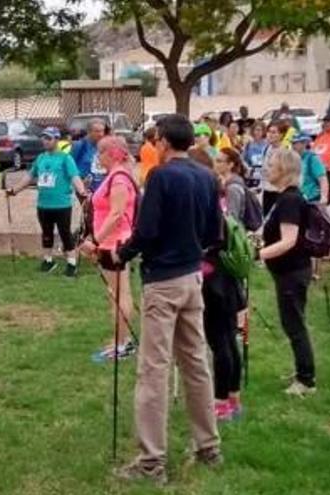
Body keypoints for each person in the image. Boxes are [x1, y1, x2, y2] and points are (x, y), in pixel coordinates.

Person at [110, 114, 222, 484]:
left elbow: (147, 231)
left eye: (155, 138)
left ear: (162, 141)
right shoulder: (206, 176)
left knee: (153, 370)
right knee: (195, 362)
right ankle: (208, 446)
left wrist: (120, 254)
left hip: (163, 282)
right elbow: (214, 232)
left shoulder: (161, 177)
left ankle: (151, 462)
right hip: (192, 278)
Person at [258, 148, 317, 396]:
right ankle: (302, 370)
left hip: (292, 271)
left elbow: (289, 240)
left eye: (272, 165)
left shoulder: (291, 200)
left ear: (283, 170)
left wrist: (258, 254)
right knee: (292, 322)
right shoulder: (284, 198)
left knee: (294, 325)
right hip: (288, 271)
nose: (267, 169)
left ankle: (306, 379)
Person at [79, 136, 138, 361]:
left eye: (100, 153)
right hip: (109, 242)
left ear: (110, 154)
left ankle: (121, 344)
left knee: (119, 293)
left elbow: (116, 213)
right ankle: (120, 339)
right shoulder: (116, 175)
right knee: (115, 293)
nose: (97, 157)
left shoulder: (119, 178)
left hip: (115, 243)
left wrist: (94, 241)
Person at [7, 127, 88, 277]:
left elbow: (74, 176)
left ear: (56, 140)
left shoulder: (65, 158)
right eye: (43, 138)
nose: (45, 141)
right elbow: (30, 177)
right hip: (44, 204)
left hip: (62, 204)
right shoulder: (41, 158)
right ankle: (48, 260)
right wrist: (15, 190)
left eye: (49, 138)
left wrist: (82, 190)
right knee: (46, 233)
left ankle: (72, 263)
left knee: (65, 233)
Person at [208, 148, 248, 420]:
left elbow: (211, 245)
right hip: (230, 281)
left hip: (216, 283)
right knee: (230, 341)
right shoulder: (222, 207)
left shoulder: (216, 212)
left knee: (221, 343)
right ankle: (233, 399)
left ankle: (221, 402)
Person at [292, 134, 329, 204]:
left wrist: (324, 196)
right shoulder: (294, 158)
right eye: (292, 143)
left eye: (295, 143)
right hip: (299, 198)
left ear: (304, 144)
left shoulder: (312, 158)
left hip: (312, 198)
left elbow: (322, 178)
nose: (293, 146)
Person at [71, 118, 107, 190]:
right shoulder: (80, 145)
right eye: (97, 131)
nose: (100, 134)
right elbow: (70, 167)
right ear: (89, 132)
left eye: (102, 131)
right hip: (84, 188)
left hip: (102, 188)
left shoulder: (105, 146)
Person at [261, 122, 287, 214]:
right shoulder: (267, 148)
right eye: (269, 132)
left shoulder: (285, 151)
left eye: (274, 132)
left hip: (278, 191)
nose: (270, 135)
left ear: (281, 135)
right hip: (267, 189)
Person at [313, 113, 330, 199]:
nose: (325, 124)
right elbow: (314, 149)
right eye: (324, 122)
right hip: (316, 170)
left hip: (329, 172)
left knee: (326, 197)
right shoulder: (321, 135)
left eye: (328, 122)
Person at [243, 122, 269, 188]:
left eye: (260, 130)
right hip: (252, 176)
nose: (258, 132)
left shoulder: (267, 145)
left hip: (264, 177)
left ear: (263, 131)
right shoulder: (248, 145)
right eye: (256, 130)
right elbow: (244, 159)